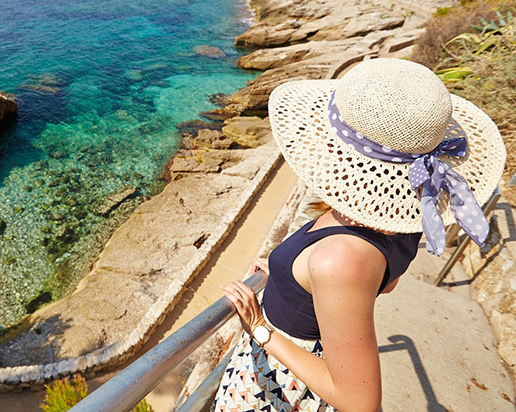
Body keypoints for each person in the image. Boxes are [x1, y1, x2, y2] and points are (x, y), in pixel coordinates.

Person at [213, 58, 506, 412]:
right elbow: (385, 282)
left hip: (278, 384)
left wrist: (261, 328)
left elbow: (360, 402)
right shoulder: (404, 218)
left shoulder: (342, 257)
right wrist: (291, 280)